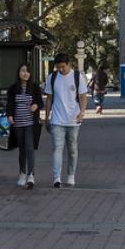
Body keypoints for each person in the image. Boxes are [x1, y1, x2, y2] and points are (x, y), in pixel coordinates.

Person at [44, 53, 88, 188]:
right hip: (57, 119)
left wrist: (82, 113)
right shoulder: (52, 78)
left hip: (73, 120)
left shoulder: (77, 77)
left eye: (63, 67)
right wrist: (47, 116)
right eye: (58, 67)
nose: (61, 70)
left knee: (72, 149)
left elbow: (83, 97)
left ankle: (71, 175)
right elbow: (49, 98)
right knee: (57, 148)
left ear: (69, 64)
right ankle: (56, 178)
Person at [5, 64, 43, 189]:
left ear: (30, 74)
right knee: (22, 149)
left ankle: (31, 175)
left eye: (27, 71)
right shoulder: (13, 88)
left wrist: (36, 106)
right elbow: (9, 103)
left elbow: (40, 102)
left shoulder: (35, 88)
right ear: (19, 73)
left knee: (29, 148)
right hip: (17, 123)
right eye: (22, 71)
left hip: (30, 123)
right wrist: (9, 115)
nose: (25, 73)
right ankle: (22, 173)